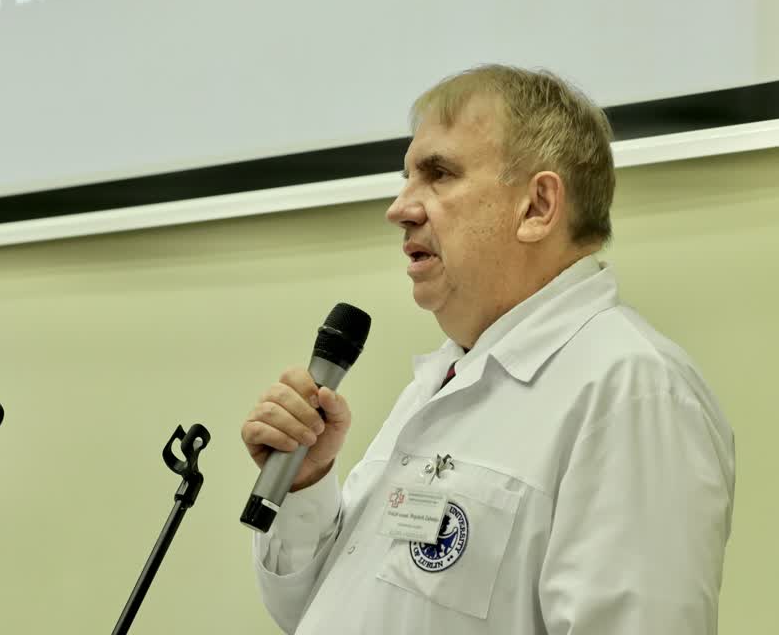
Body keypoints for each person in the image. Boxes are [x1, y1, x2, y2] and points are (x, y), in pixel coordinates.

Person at [241, 65, 735, 634]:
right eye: (407, 177)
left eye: (438, 174)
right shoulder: (445, 378)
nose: (399, 208)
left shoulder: (632, 392)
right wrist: (306, 483)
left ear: (537, 207)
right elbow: (314, 610)